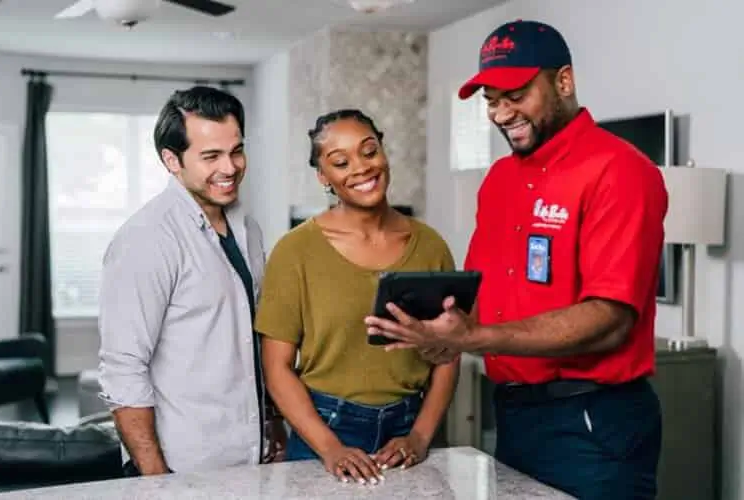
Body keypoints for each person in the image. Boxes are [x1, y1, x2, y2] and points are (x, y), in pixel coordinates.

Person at [364, 20, 668, 500]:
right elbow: (488, 298)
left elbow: (611, 319)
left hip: (592, 422)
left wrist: (475, 337)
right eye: (490, 99)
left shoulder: (622, 171)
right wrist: (440, 339)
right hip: (513, 414)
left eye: (516, 94)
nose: (502, 113)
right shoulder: (500, 179)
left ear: (563, 81)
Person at [254, 109, 460, 485]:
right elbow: (277, 368)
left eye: (369, 151)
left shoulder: (431, 246)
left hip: (409, 433)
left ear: (383, 152)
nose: (361, 168)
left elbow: (448, 353)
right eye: (340, 161)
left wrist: (419, 435)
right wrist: (330, 447)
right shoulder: (294, 251)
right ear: (323, 176)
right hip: (323, 430)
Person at [98, 86, 286, 476]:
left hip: (251, 458)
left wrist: (271, 421)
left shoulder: (247, 228)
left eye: (236, 151)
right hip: (181, 465)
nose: (230, 167)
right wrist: (154, 477)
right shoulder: (147, 238)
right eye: (211, 156)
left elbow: (250, 336)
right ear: (172, 160)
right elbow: (123, 367)